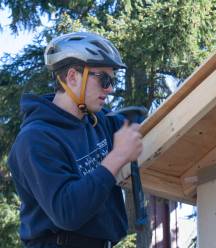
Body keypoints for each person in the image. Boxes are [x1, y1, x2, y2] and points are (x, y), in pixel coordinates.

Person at [8, 32, 143, 248]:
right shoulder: (36, 139)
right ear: (72, 77)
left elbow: (140, 128)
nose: (110, 89)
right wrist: (117, 156)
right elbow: (67, 211)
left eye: (112, 80)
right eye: (104, 79)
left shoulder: (97, 122)